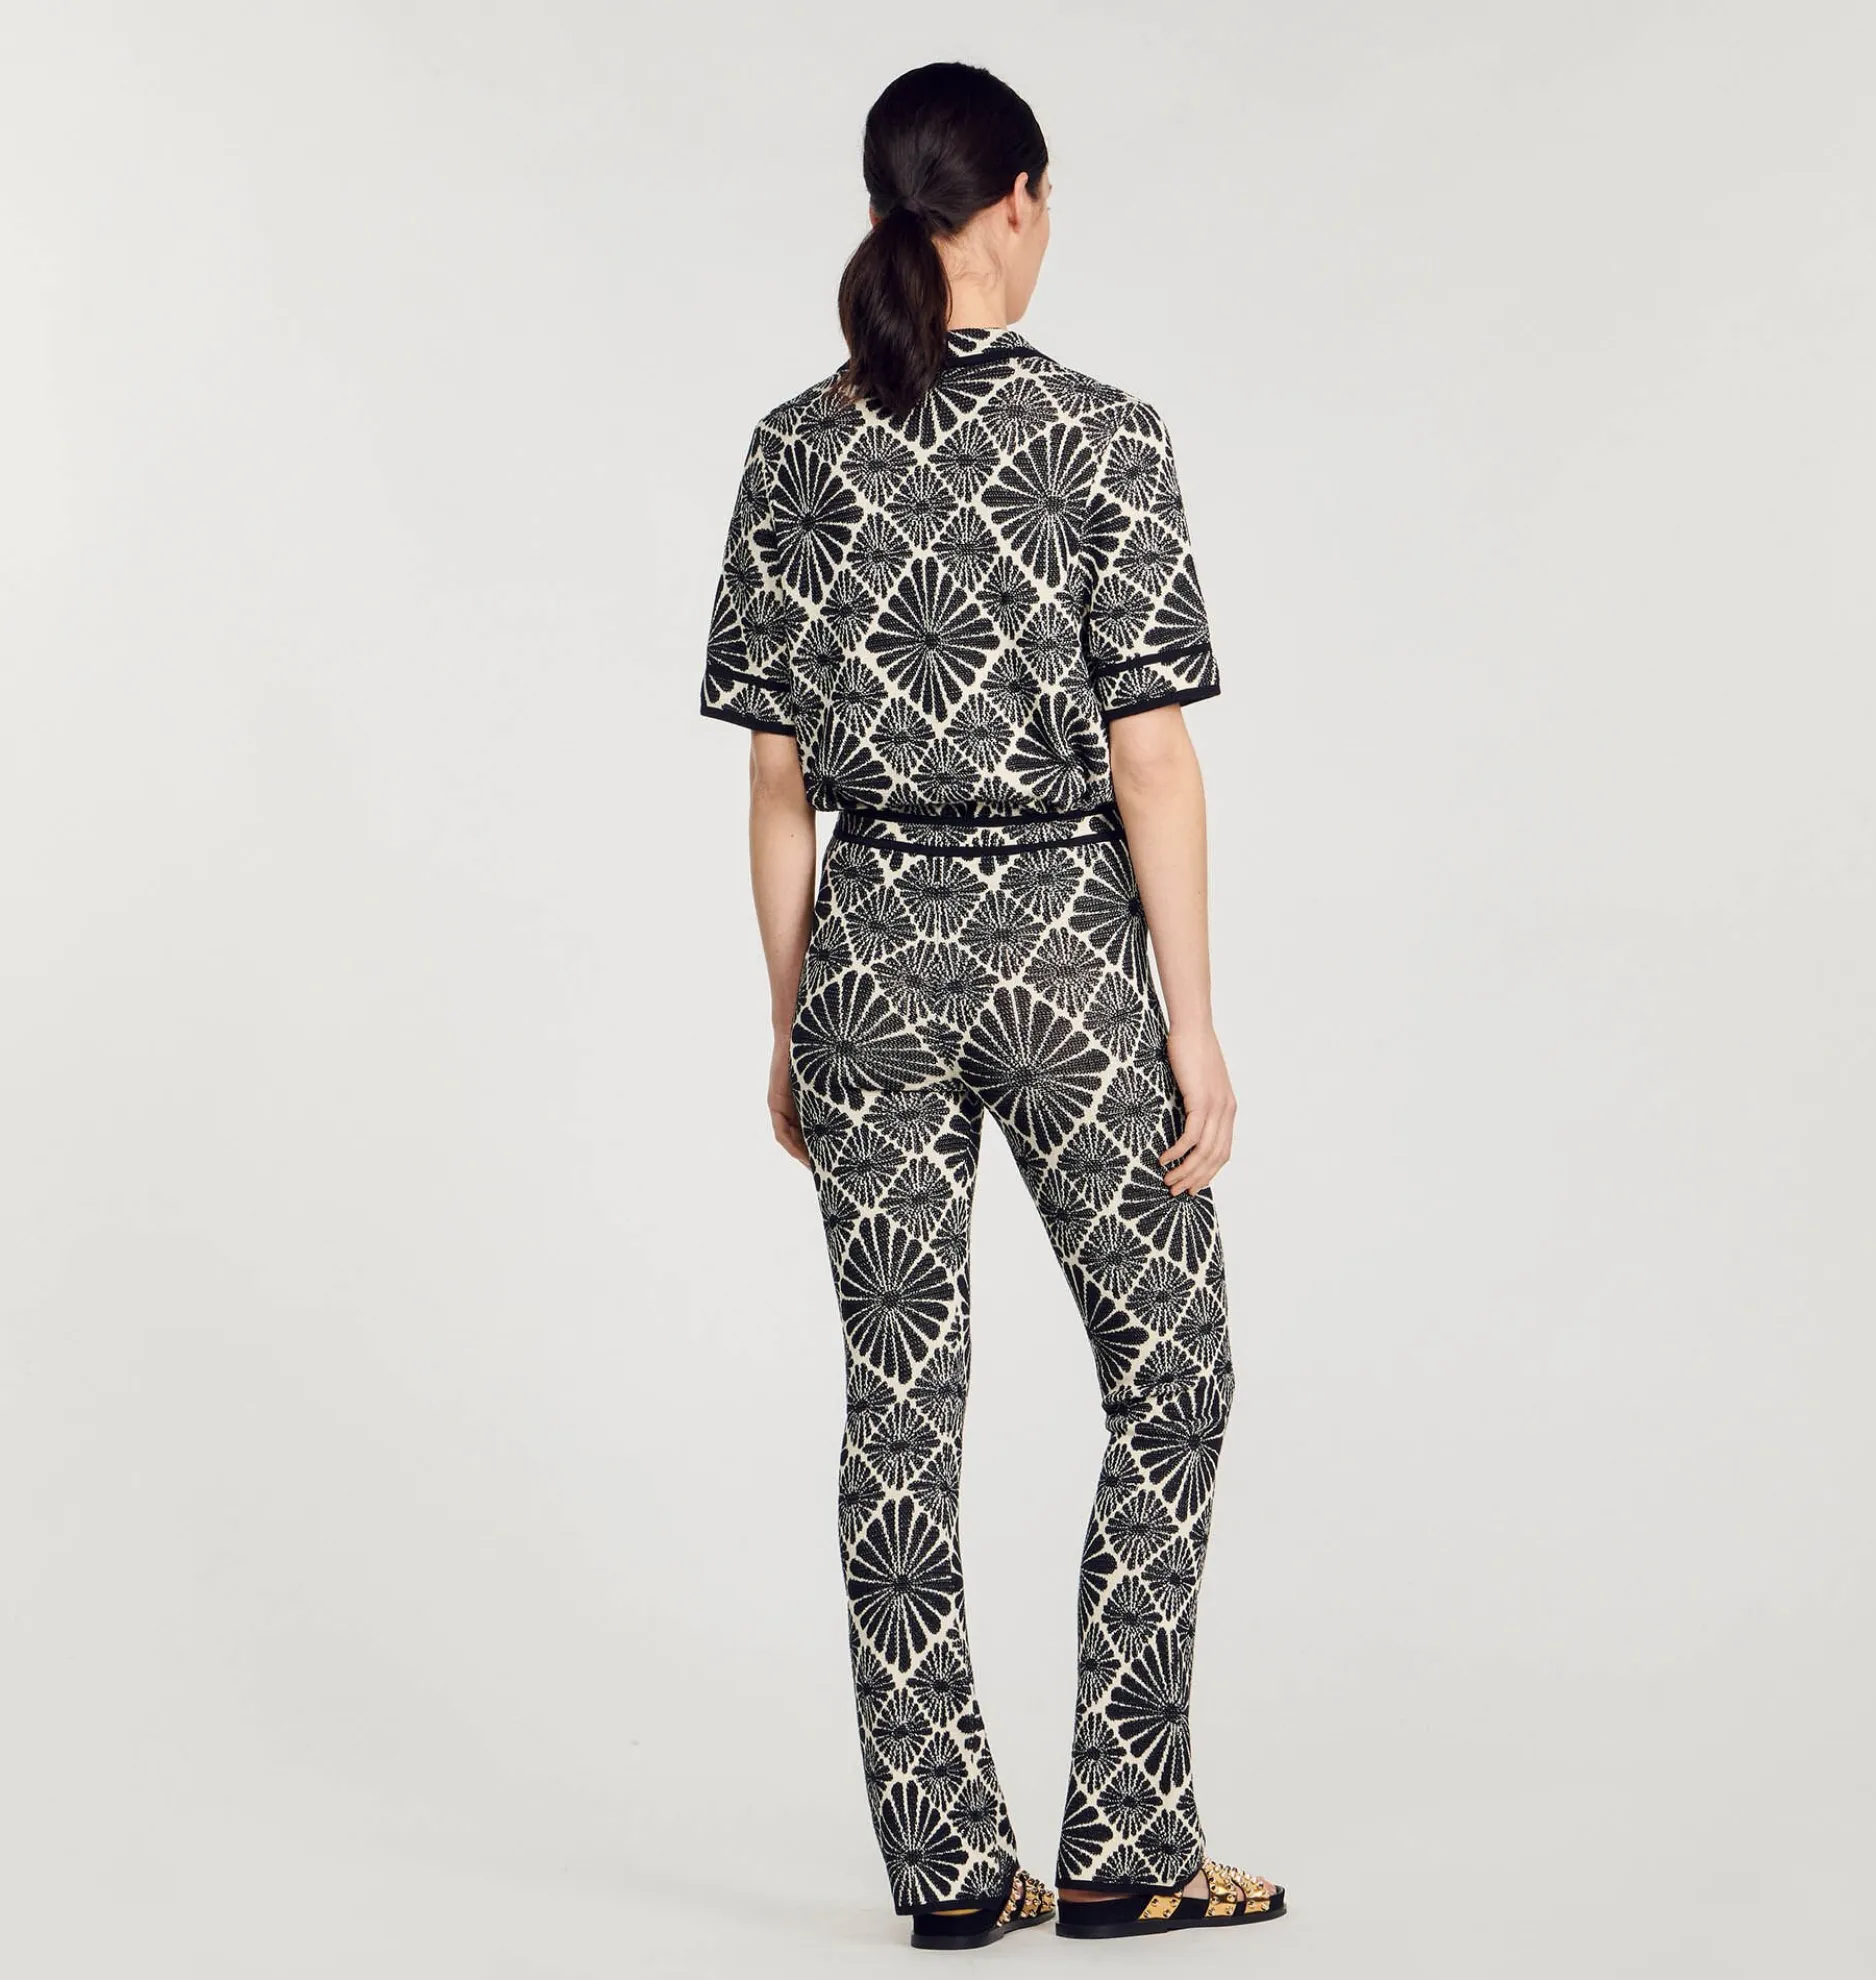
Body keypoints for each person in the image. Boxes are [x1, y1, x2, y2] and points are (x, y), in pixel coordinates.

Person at [697, 59, 1285, 1951]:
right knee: (1173, 1378)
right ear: (1016, 199)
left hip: (868, 949)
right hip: (1063, 952)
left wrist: (793, 1018)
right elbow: (1154, 761)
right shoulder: (1106, 438)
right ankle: (1125, 1840)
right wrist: (1192, 1020)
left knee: (899, 1412)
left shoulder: (793, 449)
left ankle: (949, 1870)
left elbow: (777, 783)